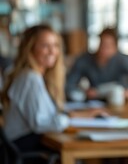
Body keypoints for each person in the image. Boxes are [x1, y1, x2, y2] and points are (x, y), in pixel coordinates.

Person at [0, 24, 104, 154]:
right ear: (30, 49)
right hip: (24, 148)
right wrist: (70, 118)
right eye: (45, 46)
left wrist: (76, 115)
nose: (52, 51)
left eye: (55, 45)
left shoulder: (34, 76)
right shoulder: (30, 78)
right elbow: (40, 123)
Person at [65, 27, 128, 102]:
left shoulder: (122, 60)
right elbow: (69, 84)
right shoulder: (85, 60)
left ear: (115, 48)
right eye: (102, 44)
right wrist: (83, 92)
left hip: (118, 102)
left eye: (108, 46)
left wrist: (123, 89)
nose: (104, 50)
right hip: (93, 102)